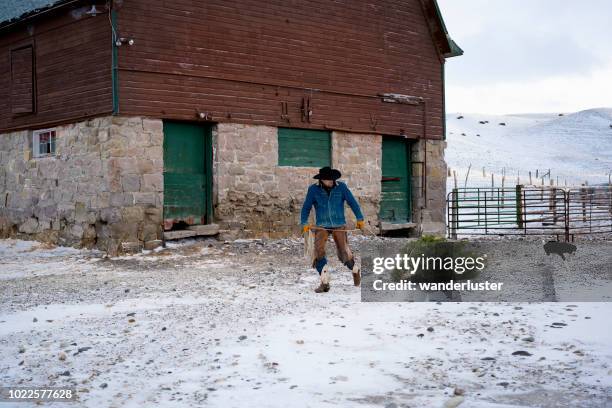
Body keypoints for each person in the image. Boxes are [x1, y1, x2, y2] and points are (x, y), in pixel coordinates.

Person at [300, 166, 365, 293]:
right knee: (318, 251)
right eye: (328, 180)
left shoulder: (341, 187)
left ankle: (355, 270)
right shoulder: (313, 190)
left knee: (343, 251)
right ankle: (325, 281)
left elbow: (352, 202)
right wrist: (304, 223)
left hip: (338, 224)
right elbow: (306, 207)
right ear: (321, 180)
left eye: (332, 179)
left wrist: (360, 218)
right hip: (321, 225)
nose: (331, 182)